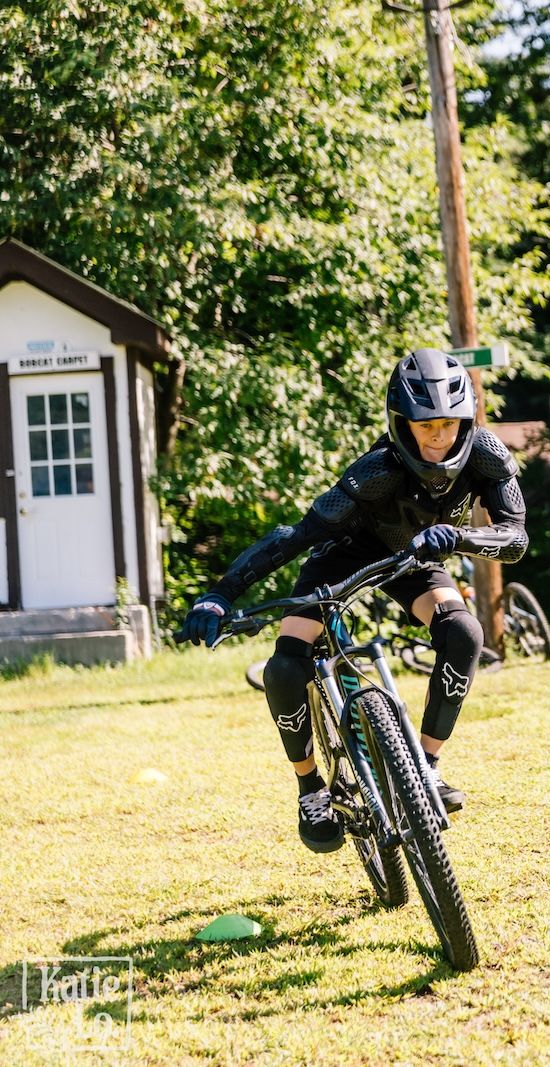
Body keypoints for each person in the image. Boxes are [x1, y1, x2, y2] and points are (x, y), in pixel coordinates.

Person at [177, 349, 528, 852]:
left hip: (416, 555)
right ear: (401, 424)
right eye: (425, 425)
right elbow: (294, 537)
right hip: (342, 556)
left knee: (463, 632)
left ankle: (425, 767)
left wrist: (458, 537)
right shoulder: (376, 471)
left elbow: (515, 539)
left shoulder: (488, 456)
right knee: (284, 666)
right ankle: (309, 788)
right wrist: (219, 595)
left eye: (450, 423)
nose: (439, 436)